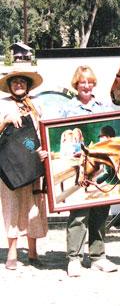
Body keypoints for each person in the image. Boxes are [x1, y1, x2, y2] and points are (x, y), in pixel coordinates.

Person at [61, 65, 118, 277]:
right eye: (82, 82)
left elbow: (114, 130)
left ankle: (98, 257)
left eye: (90, 82)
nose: (86, 85)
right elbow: (60, 136)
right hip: (79, 168)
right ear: (76, 84)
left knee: (100, 213)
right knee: (79, 213)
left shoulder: (104, 105)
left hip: (101, 167)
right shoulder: (67, 109)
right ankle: (74, 259)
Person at [0, 71, 48, 270]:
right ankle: (12, 251)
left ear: (28, 85)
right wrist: (5, 121)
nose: (19, 84)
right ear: (10, 85)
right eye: (15, 82)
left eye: (22, 81)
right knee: (11, 204)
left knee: (34, 205)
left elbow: (42, 131)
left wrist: (43, 151)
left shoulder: (37, 104)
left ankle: (33, 251)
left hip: (33, 158)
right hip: (10, 162)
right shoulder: (2, 104)